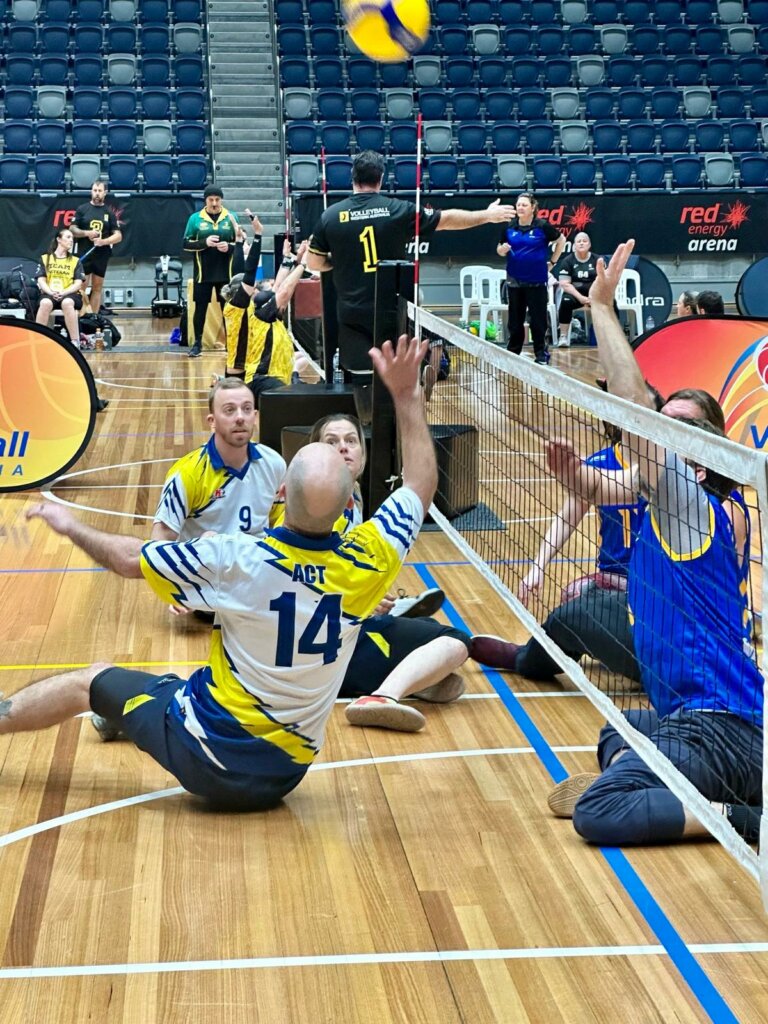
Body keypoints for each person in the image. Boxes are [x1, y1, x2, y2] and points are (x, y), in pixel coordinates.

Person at [21, 334, 437, 811]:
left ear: (280, 492)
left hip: (205, 751)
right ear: (349, 504)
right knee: (183, 680)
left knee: (91, 681)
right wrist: (407, 397)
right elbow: (419, 484)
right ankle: (130, 714)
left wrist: (72, 525)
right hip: (286, 772)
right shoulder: (371, 558)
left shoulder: (234, 558)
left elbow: (128, 559)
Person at [544, 240, 762, 847]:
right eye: (670, 422)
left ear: (710, 446)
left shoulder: (697, 507)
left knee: (600, 812)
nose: (669, 432)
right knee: (617, 731)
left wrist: (603, 312)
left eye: (685, 427)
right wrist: (574, 477)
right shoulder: (667, 496)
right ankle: (665, 777)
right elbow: (606, 483)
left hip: (719, 728)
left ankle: (743, 821)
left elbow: (637, 412)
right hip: (710, 716)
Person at [306, 150, 516, 372]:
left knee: (359, 375)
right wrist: (487, 215)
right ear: (381, 178)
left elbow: (314, 263)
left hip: (352, 313)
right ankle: (421, 378)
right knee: (396, 375)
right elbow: (447, 220)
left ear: (353, 177)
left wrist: (339, 259)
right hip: (390, 310)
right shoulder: (398, 209)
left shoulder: (330, 216)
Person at [222, 214, 311, 405]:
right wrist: (258, 235)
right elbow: (252, 275)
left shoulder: (251, 310)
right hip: (249, 378)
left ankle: (294, 374)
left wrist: (290, 259)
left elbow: (278, 288)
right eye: (252, 287)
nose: (255, 287)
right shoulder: (239, 309)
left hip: (248, 373)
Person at [36, 227, 109, 413]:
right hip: (50, 293)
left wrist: (64, 292)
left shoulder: (75, 261)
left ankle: (75, 341)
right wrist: (51, 291)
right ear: (59, 240)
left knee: (69, 303)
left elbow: (79, 283)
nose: (71, 240)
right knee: (44, 304)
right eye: (67, 237)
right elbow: (41, 279)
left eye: (71, 237)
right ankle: (37, 338)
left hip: (69, 294)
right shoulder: (46, 259)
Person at [496, 192, 566, 365]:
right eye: (518, 204)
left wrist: (553, 261)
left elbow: (561, 240)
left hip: (536, 281)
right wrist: (501, 250)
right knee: (515, 321)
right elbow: (499, 248)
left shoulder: (542, 226)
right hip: (514, 281)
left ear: (533, 207)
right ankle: (513, 352)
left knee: (538, 321)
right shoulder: (510, 227)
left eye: (524, 205)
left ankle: (541, 354)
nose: (520, 207)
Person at [183, 184, 239, 359]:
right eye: (211, 200)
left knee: (228, 310)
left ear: (221, 200)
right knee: (200, 309)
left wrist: (229, 247)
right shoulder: (195, 219)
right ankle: (197, 344)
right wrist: (204, 243)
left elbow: (240, 243)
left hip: (225, 274)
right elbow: (185, 244)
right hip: (203, 273)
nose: (214, 203)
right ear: (205, 200)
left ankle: (232, 343)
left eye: (217, 199)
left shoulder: (231, 217)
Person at [70, 179, 122, 316]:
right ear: (91, 192)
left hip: (101, 254)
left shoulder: (109, 213)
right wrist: (86, 233)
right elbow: (72, 229)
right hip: (84, 253)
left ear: (105, 193)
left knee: (97, 287)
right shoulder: (82, 209)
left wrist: (104, 241)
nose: (97, 193)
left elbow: (118, 235)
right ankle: (80, 316)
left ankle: (93, 318)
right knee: (81, 287)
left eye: (100, 191)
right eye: (95, 190)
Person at [555, 231, 598, 348]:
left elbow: (602, 280)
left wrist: (593, 296)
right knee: (565, 301)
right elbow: (565, 284)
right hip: (576, 294)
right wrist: (581, 298)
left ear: (589, 244)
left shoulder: (597, 260)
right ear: (574, 245)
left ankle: (612, 337)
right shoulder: (567, 261)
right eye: (579, 241)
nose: (581, 244)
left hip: (594, 294)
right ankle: (563, 336)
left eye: (584, 241)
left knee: (611, 303)